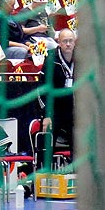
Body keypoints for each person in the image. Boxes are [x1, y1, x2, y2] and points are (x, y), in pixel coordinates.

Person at [40, 28, 76, 167]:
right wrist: (46, 115)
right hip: (54, 108)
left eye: (70, 41)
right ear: (59, 43)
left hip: (72, 107)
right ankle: (45, 172)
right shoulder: (51, 59)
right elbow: (42, 89)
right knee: (48, 143)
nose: (68, 44)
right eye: (65, 41)